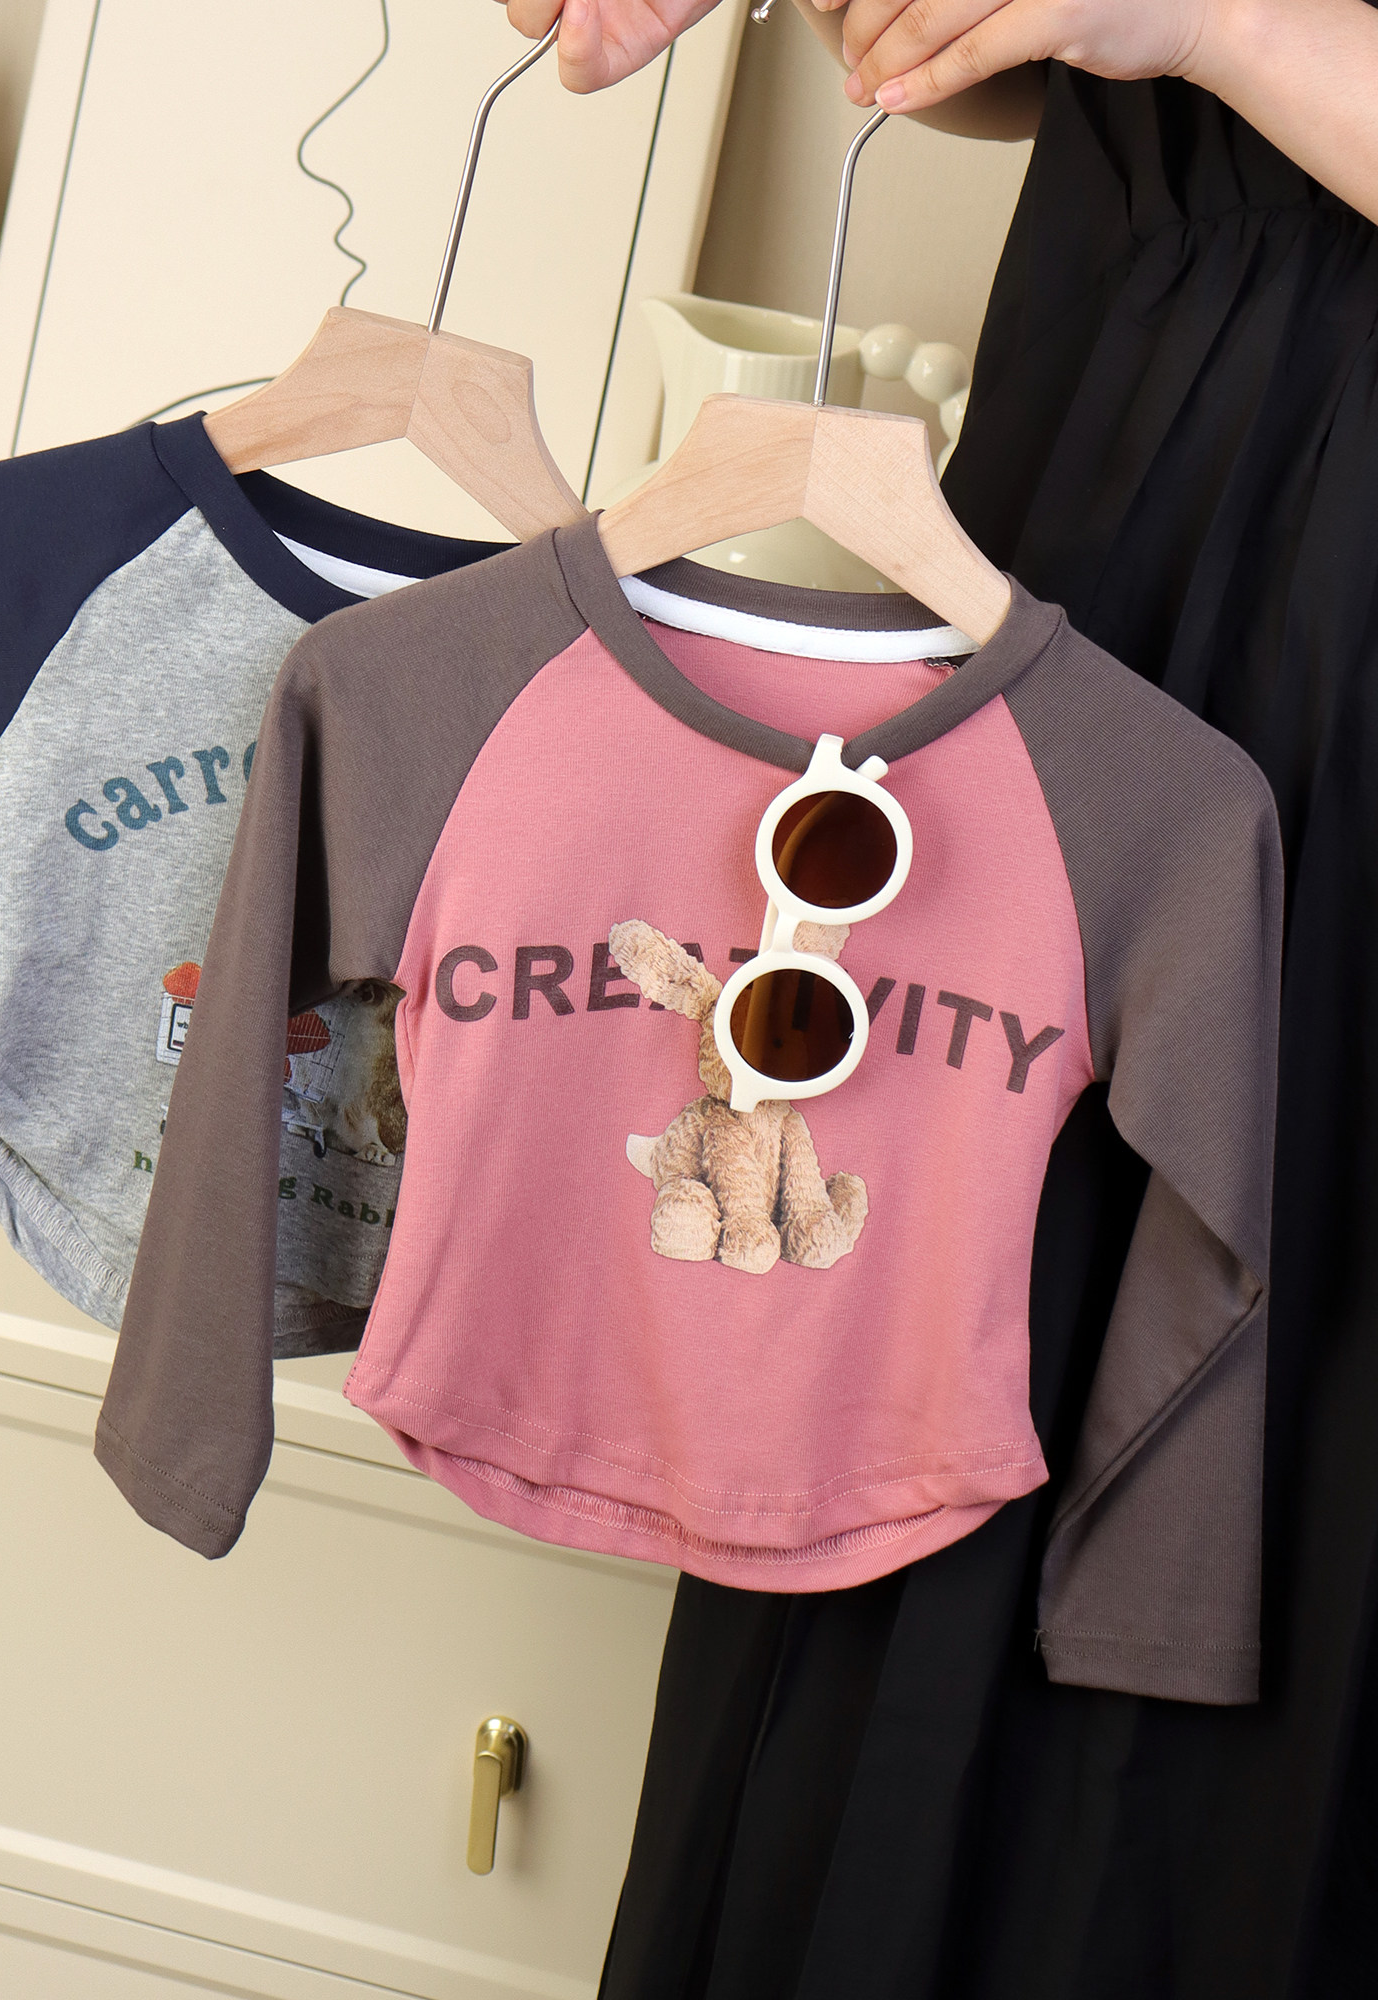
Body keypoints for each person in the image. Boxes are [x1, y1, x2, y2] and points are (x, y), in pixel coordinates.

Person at [495, 3, 1378, 1996]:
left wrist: (1216, 17)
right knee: (927, 1440)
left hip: (1344, 642)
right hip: (1097, 506)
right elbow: (1066, 85)